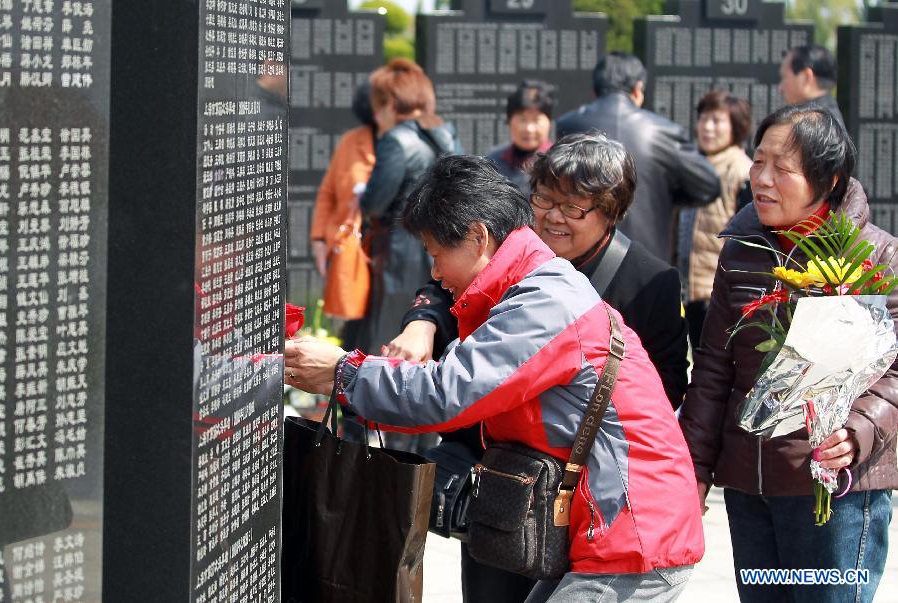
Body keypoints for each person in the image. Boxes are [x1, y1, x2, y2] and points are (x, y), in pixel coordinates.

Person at [286, 154, 703, 603]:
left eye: (436, 253)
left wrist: (343, 372)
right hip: (611, 527)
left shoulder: (546, 302)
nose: (435, 272)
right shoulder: (533, 286)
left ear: (477, 236)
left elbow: (445, 394)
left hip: (632, 533)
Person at [679, 105, 898, 603]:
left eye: (783, 168)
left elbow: (896, 371)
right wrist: (693, 468)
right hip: (749, 490)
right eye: (759, 162)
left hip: (836, 489)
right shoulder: (740, 252)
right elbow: (713, 365)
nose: (763, 179)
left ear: (830, 179)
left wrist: (857, 431)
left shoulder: (879, 256)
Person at [352, 58, 459, 453]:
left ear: (390, 104)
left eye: (379, 105)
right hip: (440, 255)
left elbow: (377, 203)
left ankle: (386, 444)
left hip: (397, 254)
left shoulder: (398, 140)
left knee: (390, 344)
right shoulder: (447, 135)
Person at [555, 52, 720, 262]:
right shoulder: (663, 131)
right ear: (638, 89)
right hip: (646, 262)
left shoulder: (568, 126)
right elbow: (708, 185)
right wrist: (665, 196)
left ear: (595, 90)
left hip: (580, 260)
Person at [678, 91, 753, 347]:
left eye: (717, 120)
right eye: (703, 119)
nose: (707, 127)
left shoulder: (742, 171)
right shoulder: (696, 165)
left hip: (720, 294)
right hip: (692, 291)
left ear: (736, 126)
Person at [309, 80, 376, 314]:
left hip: (386, 252)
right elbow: (328, 192)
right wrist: (319, 238)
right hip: (349, 242)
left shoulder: (406, 142)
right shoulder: (351, 141)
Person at [485, 79, 556, 196]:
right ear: (509, 120)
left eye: (536, 120)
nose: (529, 128)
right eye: (522, 119)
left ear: (549, 122)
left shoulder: (559, 163)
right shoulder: (493, 160)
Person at [779, 44, 844, 125]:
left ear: (806, 77)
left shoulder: (808, 123)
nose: (780, 88)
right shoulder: (831, 118)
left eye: (785, 77)